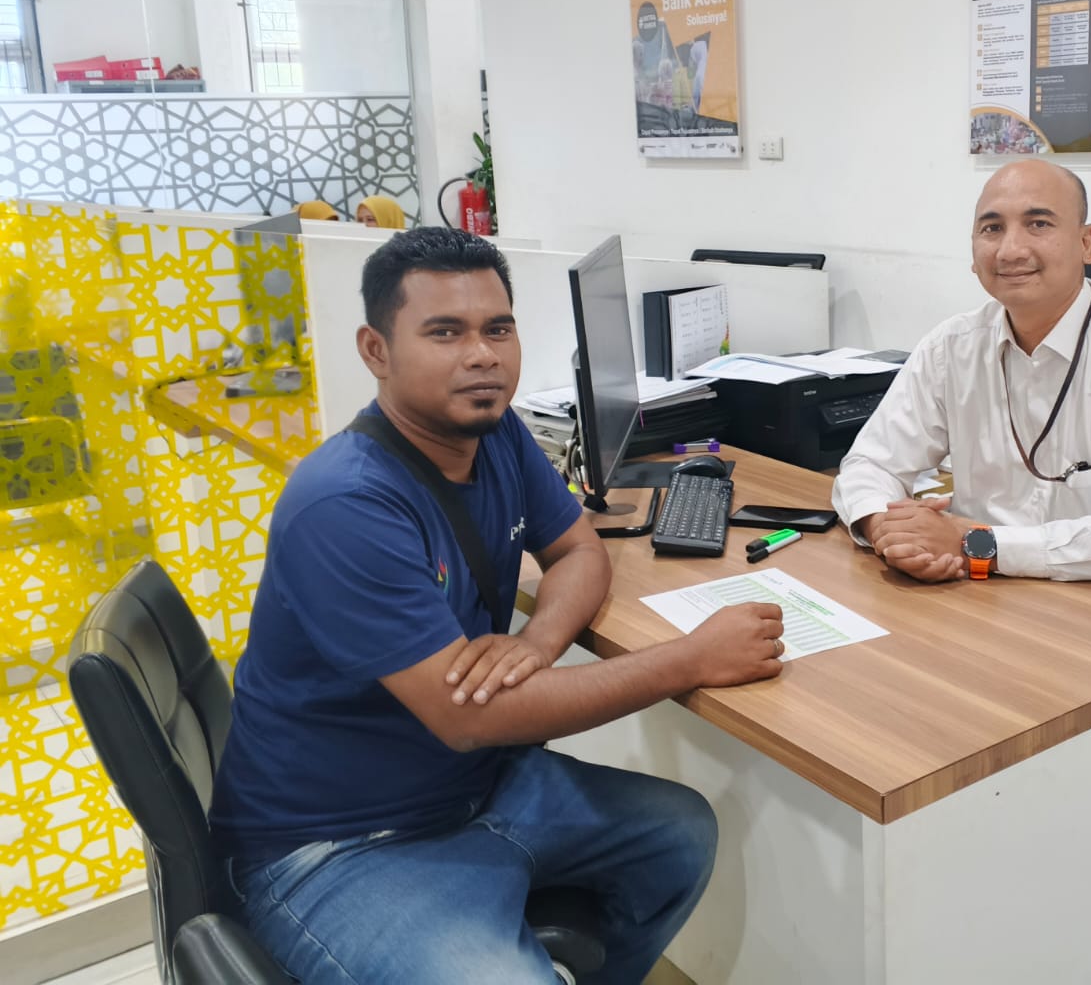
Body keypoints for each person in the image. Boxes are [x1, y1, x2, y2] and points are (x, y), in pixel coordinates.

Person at [210, 227, 786, 983]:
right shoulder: (345, 504)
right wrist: (692, 659)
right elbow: (469, 718)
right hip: (341, 843)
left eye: (498, 329)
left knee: (679, 836)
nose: (482, 355)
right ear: (376, 350)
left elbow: (578, 549)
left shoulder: (496, 433)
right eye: (445, 332)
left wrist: (536, 642)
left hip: (473, 786)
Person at [832, 161, 1091, 591]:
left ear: (1087, 243)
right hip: (993, 590)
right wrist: (885, 527)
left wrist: (974, 543)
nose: (1010, 250)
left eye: (1038, 223)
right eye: (992, 228)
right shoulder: (951, 346)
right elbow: (870, 464)